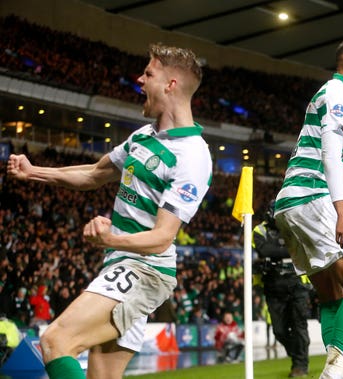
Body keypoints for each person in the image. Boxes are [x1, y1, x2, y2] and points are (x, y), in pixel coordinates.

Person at [7, 42, 212, 379]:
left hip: (144, 270)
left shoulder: (193, 155)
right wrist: (34, 172)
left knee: (56, 341)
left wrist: (110, 240)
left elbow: (162, 238)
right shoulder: (143, 137)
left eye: (148, 73)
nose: (140, 79)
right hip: (122, 265)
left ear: (170, 84)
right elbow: (94, 174)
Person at [274, 38, 343, 379]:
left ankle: (336, 371)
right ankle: (335, 372)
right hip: (313, 198)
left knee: (333, 295)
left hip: (290, 204)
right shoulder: (337, 94)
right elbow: (330, 157)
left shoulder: (334, 95)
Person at [253, 200, 311, 377]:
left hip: (297, 283)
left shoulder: (295, 226)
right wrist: (288, 250)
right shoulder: (259, 230)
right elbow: (265, 251)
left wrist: (280, 250)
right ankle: (297, 355)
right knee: (279, 330)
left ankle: (300, 365)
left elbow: (302, 249)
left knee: (299, 324)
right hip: (272, 284)